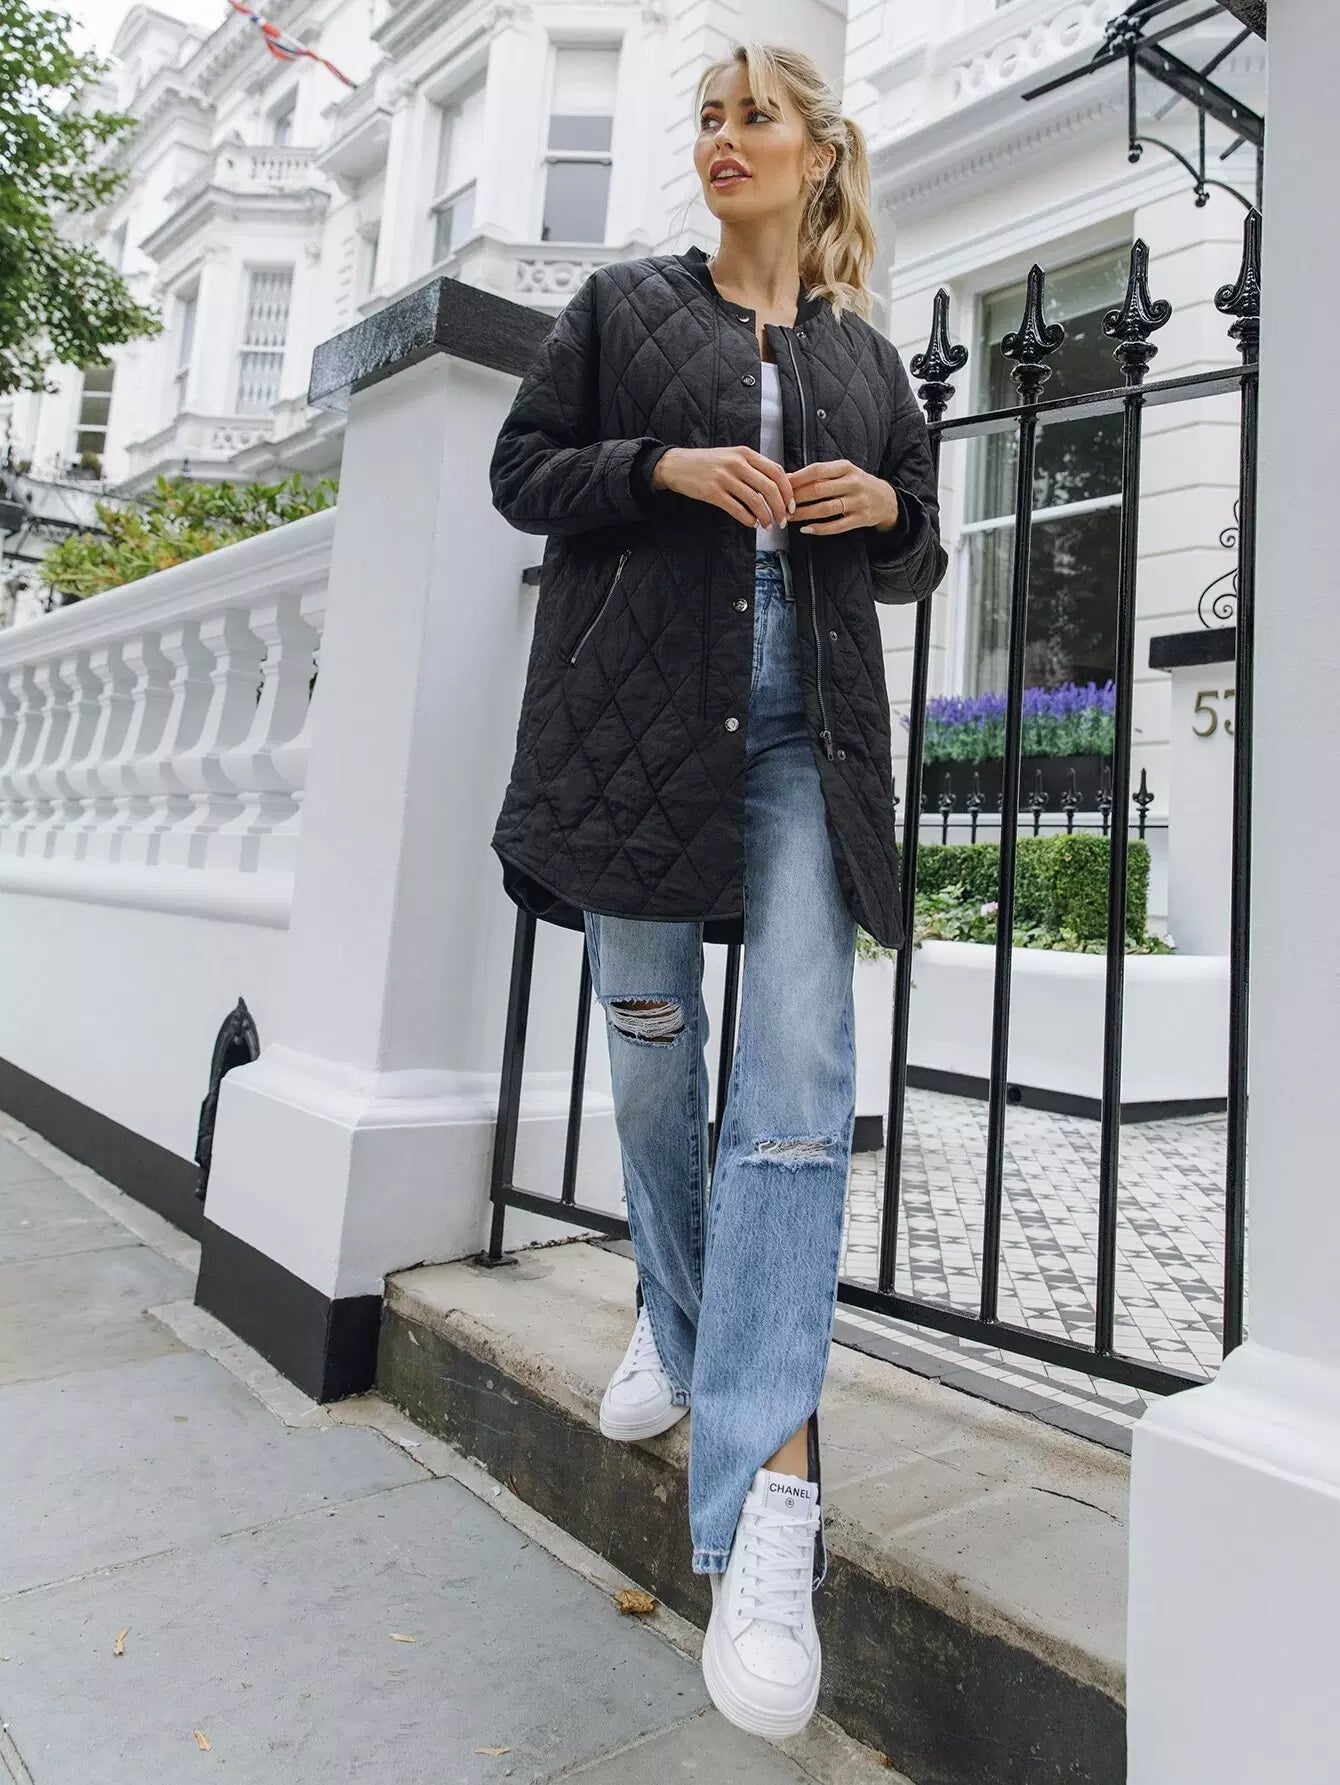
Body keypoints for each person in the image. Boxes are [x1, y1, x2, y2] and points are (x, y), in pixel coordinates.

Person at [488, 38, 946, 1741]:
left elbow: (919, 548)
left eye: (756, 115)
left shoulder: (866, 357)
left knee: (797, 1092)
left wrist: (881, 501)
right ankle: (677, 1325)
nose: (723, 138)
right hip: (637, 725)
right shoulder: (623, 309)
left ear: (820, 152)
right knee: (652, 1049)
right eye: (707, 116)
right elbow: (522, 470)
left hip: (805, 733)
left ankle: (766, 1503)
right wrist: (663, 470)